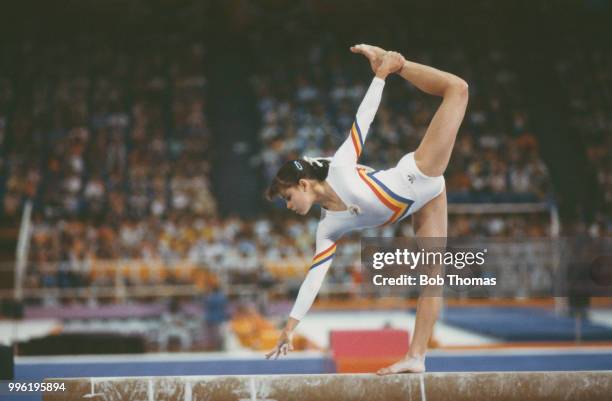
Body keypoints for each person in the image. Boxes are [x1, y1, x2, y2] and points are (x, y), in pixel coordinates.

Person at [264, 44, 468, 374]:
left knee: (457, 90)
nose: (288, 207)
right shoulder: (328, 226)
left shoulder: (341, 167)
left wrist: (384, 75)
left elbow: (364, 119)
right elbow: (313, 280)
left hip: (419, 175)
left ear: (303, 185)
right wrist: (289, 328)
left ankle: (398, 63)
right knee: (434, 277)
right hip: (426, 201)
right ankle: (416, 357)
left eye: (288, 198)